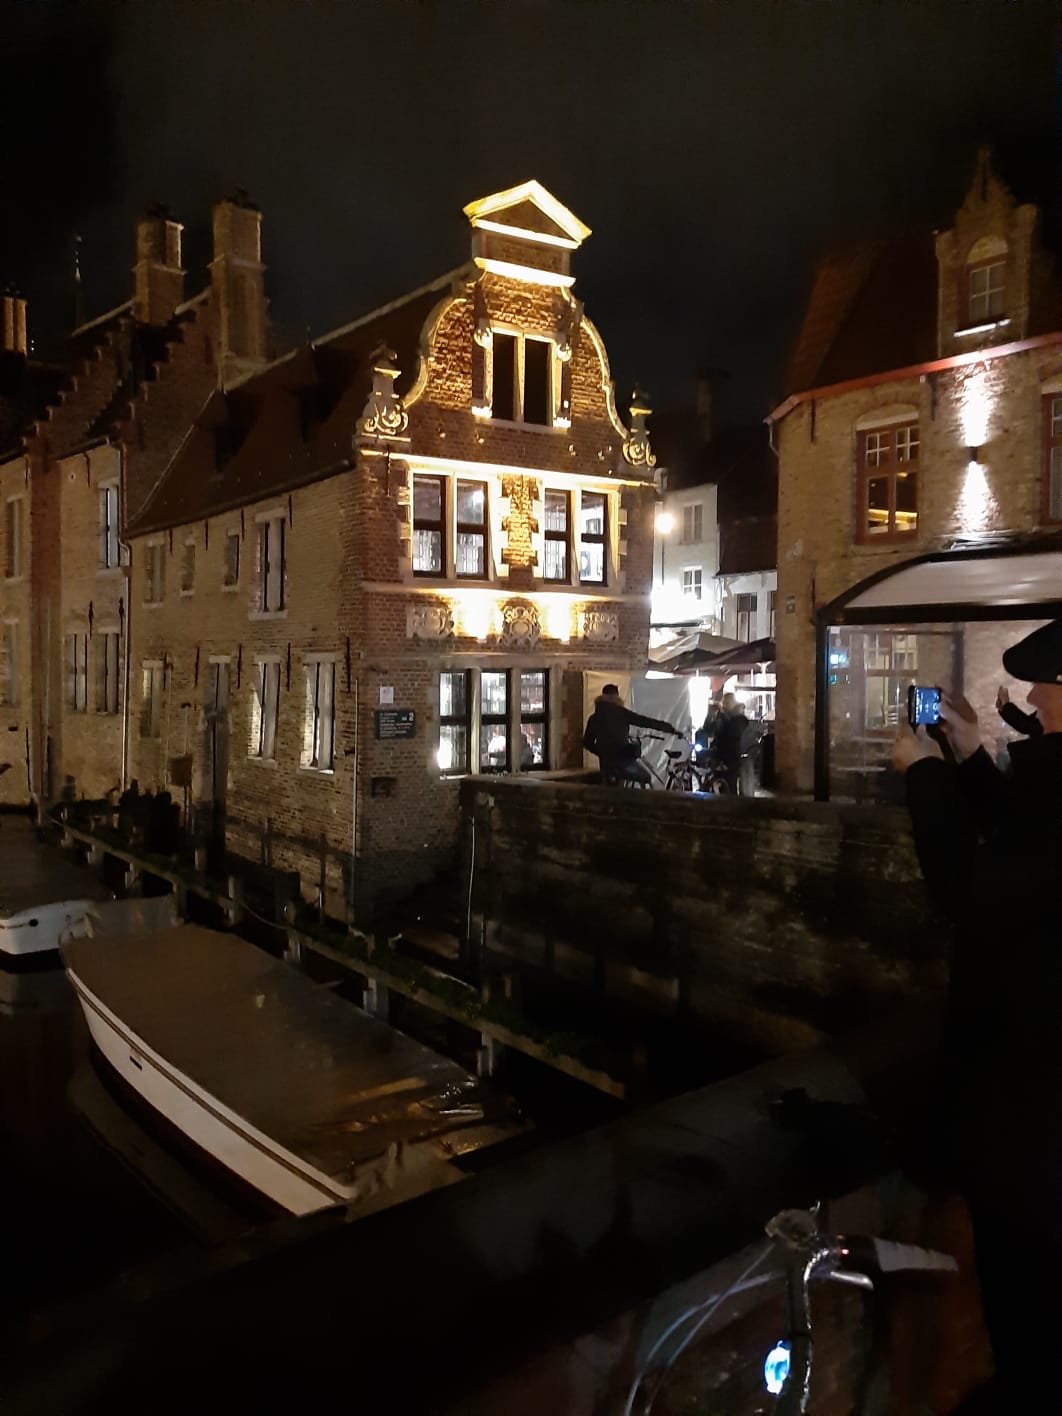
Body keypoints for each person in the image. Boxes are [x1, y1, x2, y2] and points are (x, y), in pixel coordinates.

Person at [891, 619, 1062, 1407]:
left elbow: (976, 891)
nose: (1031, 698)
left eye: (1046, 684)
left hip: (1035, 1109)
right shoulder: (1050, 784)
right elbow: (1026, 844)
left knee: (1026, 1289)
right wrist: (966, 755)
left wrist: (926, 777)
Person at [582, 684, 678, 784]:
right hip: (622, 758)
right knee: (646, 777)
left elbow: (587, 742)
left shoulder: (594, 718)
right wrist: (669, 728)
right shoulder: (621, 713)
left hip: (605, 763)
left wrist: (602, 752)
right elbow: (644, 721)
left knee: (610, 786)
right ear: (616, 697)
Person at [711, 692, 748, 794]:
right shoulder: (722, 717)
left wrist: (723, 719)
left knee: (729, 787)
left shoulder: (739, 719)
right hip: (720, 758)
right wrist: (711, 716)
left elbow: (732, 737)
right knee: (719, 787)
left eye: (727, 703)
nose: (725, 705)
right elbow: (710, 730)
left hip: (731, 759)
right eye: (724, 702)